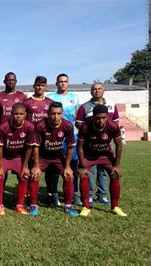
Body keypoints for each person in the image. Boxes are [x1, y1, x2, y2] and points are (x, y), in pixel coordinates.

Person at [77, 105, 127, 217]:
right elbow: (79, 147)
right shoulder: (85, 126)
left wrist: (117, 165)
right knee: (84, 174)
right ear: (93, 116)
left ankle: (115, 207)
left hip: (105, 155)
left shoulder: (113, 126)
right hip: (88, 156)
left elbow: (119, 145)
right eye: (98, 118)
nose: (101, 120)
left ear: (107, 116)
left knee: (115, 174)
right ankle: (85, 207)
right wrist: (82, 164)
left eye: (104, 117)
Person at [31, 102, 78, 217]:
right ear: (48, 113)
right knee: (35, 175)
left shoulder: (68, 125)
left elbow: (70, 146)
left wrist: (67, 167)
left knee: (68, 176)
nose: (55, 116)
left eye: (58, 113)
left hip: (58, 157)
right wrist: (36, 166)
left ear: (62, 114)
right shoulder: (40, 125)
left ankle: (68, 206)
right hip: (43, 157)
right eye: (53, 113)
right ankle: (33, 205)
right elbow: (35, 146)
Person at [76, 82, 119, 205]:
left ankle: (102, 195)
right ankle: (89, 195)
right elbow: (78, 122)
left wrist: (106, 130)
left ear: (103, 90)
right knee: (90, 170)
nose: (97, 91)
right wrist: (90, 130)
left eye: (99, 89)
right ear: (91, 91)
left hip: (105, 143)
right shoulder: (85, 106)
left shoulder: (111, 105)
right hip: (90, 144)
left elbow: (116, 122)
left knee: (104, 170)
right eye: (94, 89)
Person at [0, 103, 37, 215]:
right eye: (15, 114)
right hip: (4, 157)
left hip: (18, 158)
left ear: (25, 114)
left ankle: (19, 205)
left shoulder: (30, 127)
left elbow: (29, 147)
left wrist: (25, 165)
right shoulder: (3, 127)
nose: (18, 116)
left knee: (25, 175)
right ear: (11, 114)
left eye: (21, 114)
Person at [47, 73, 81, 206]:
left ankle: (74, 194)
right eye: (60, 81)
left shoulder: (74, 98)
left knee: (73, 166)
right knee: (54, 167)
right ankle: (53, 194)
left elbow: (77, 118)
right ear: (56, 83)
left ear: (68, 83)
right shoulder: (50, 98)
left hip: (72, 136)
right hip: (56, 137)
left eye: (65, 81)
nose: (63, 83)